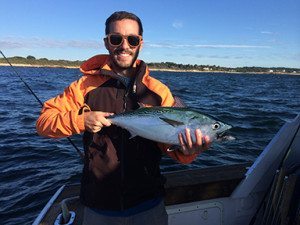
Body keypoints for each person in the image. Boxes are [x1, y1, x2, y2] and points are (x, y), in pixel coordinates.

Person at [36, 11, 211, 225]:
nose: (124, 45)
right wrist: (81, 120)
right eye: (116, 38)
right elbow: (44, 123)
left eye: (132, 39)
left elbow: (171, 148)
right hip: (98, 205)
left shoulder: (158, 92)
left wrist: (187, 152)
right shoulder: (84, 86)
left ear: (140, 43)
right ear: (107, 42)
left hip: (149, 204)